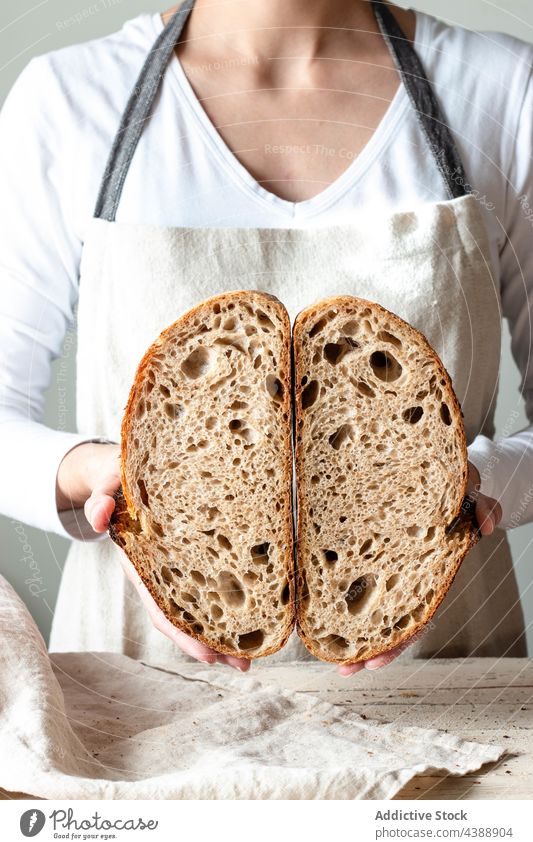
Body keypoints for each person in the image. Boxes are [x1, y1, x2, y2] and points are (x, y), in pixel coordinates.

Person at [1, 0, 531, 676]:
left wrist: (478, 486)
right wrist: (106, 476)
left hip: (452, 712)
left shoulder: (503, 93)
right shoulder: (70, 102)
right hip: (135, 717)